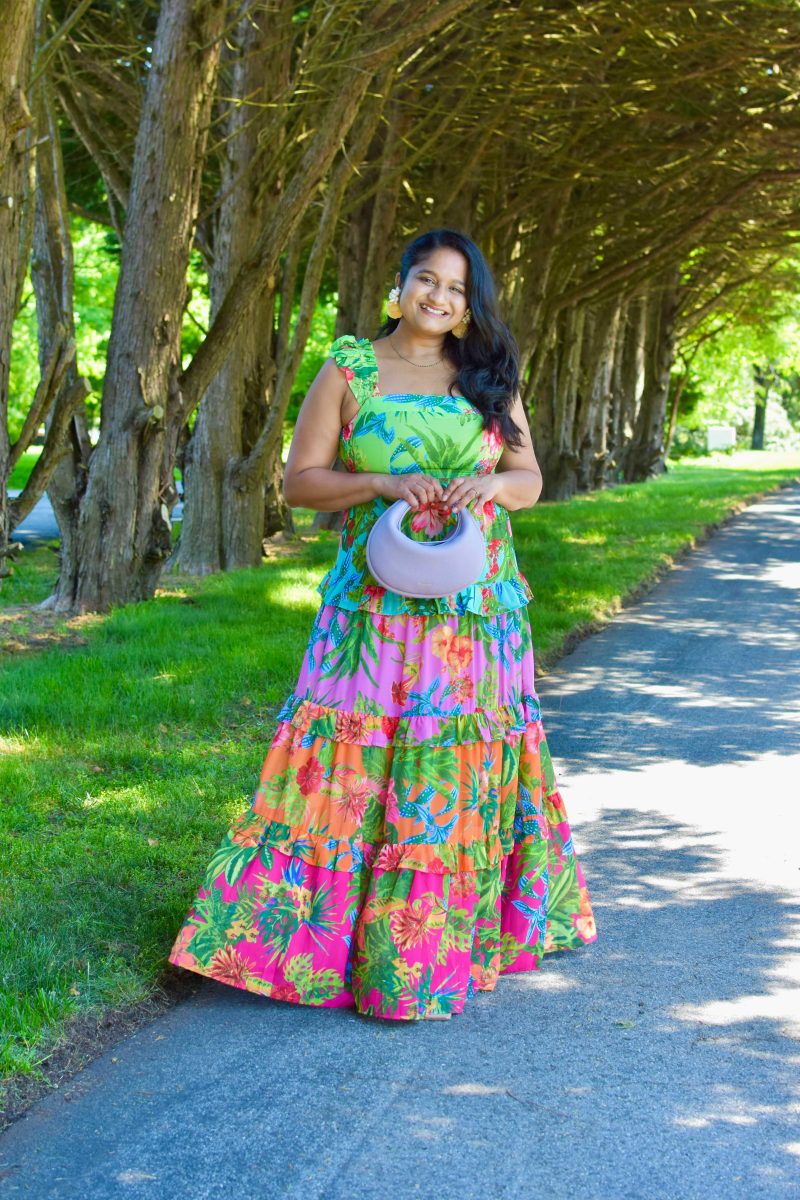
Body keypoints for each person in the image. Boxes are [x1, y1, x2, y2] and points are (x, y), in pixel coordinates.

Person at [169, 228, 596, 1020]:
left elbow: (529, 477)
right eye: (426, 280)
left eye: (457, 289)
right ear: (398, 285)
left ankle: (428, 954)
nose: (439, 298)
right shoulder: (350, 367)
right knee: (350, 757)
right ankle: (309, 949)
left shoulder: (490, 376)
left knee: (452, 768)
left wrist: (491, 490)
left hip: (477, 602)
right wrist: (379, 482)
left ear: (473, 304)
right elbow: (300, 484)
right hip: (374, 600)